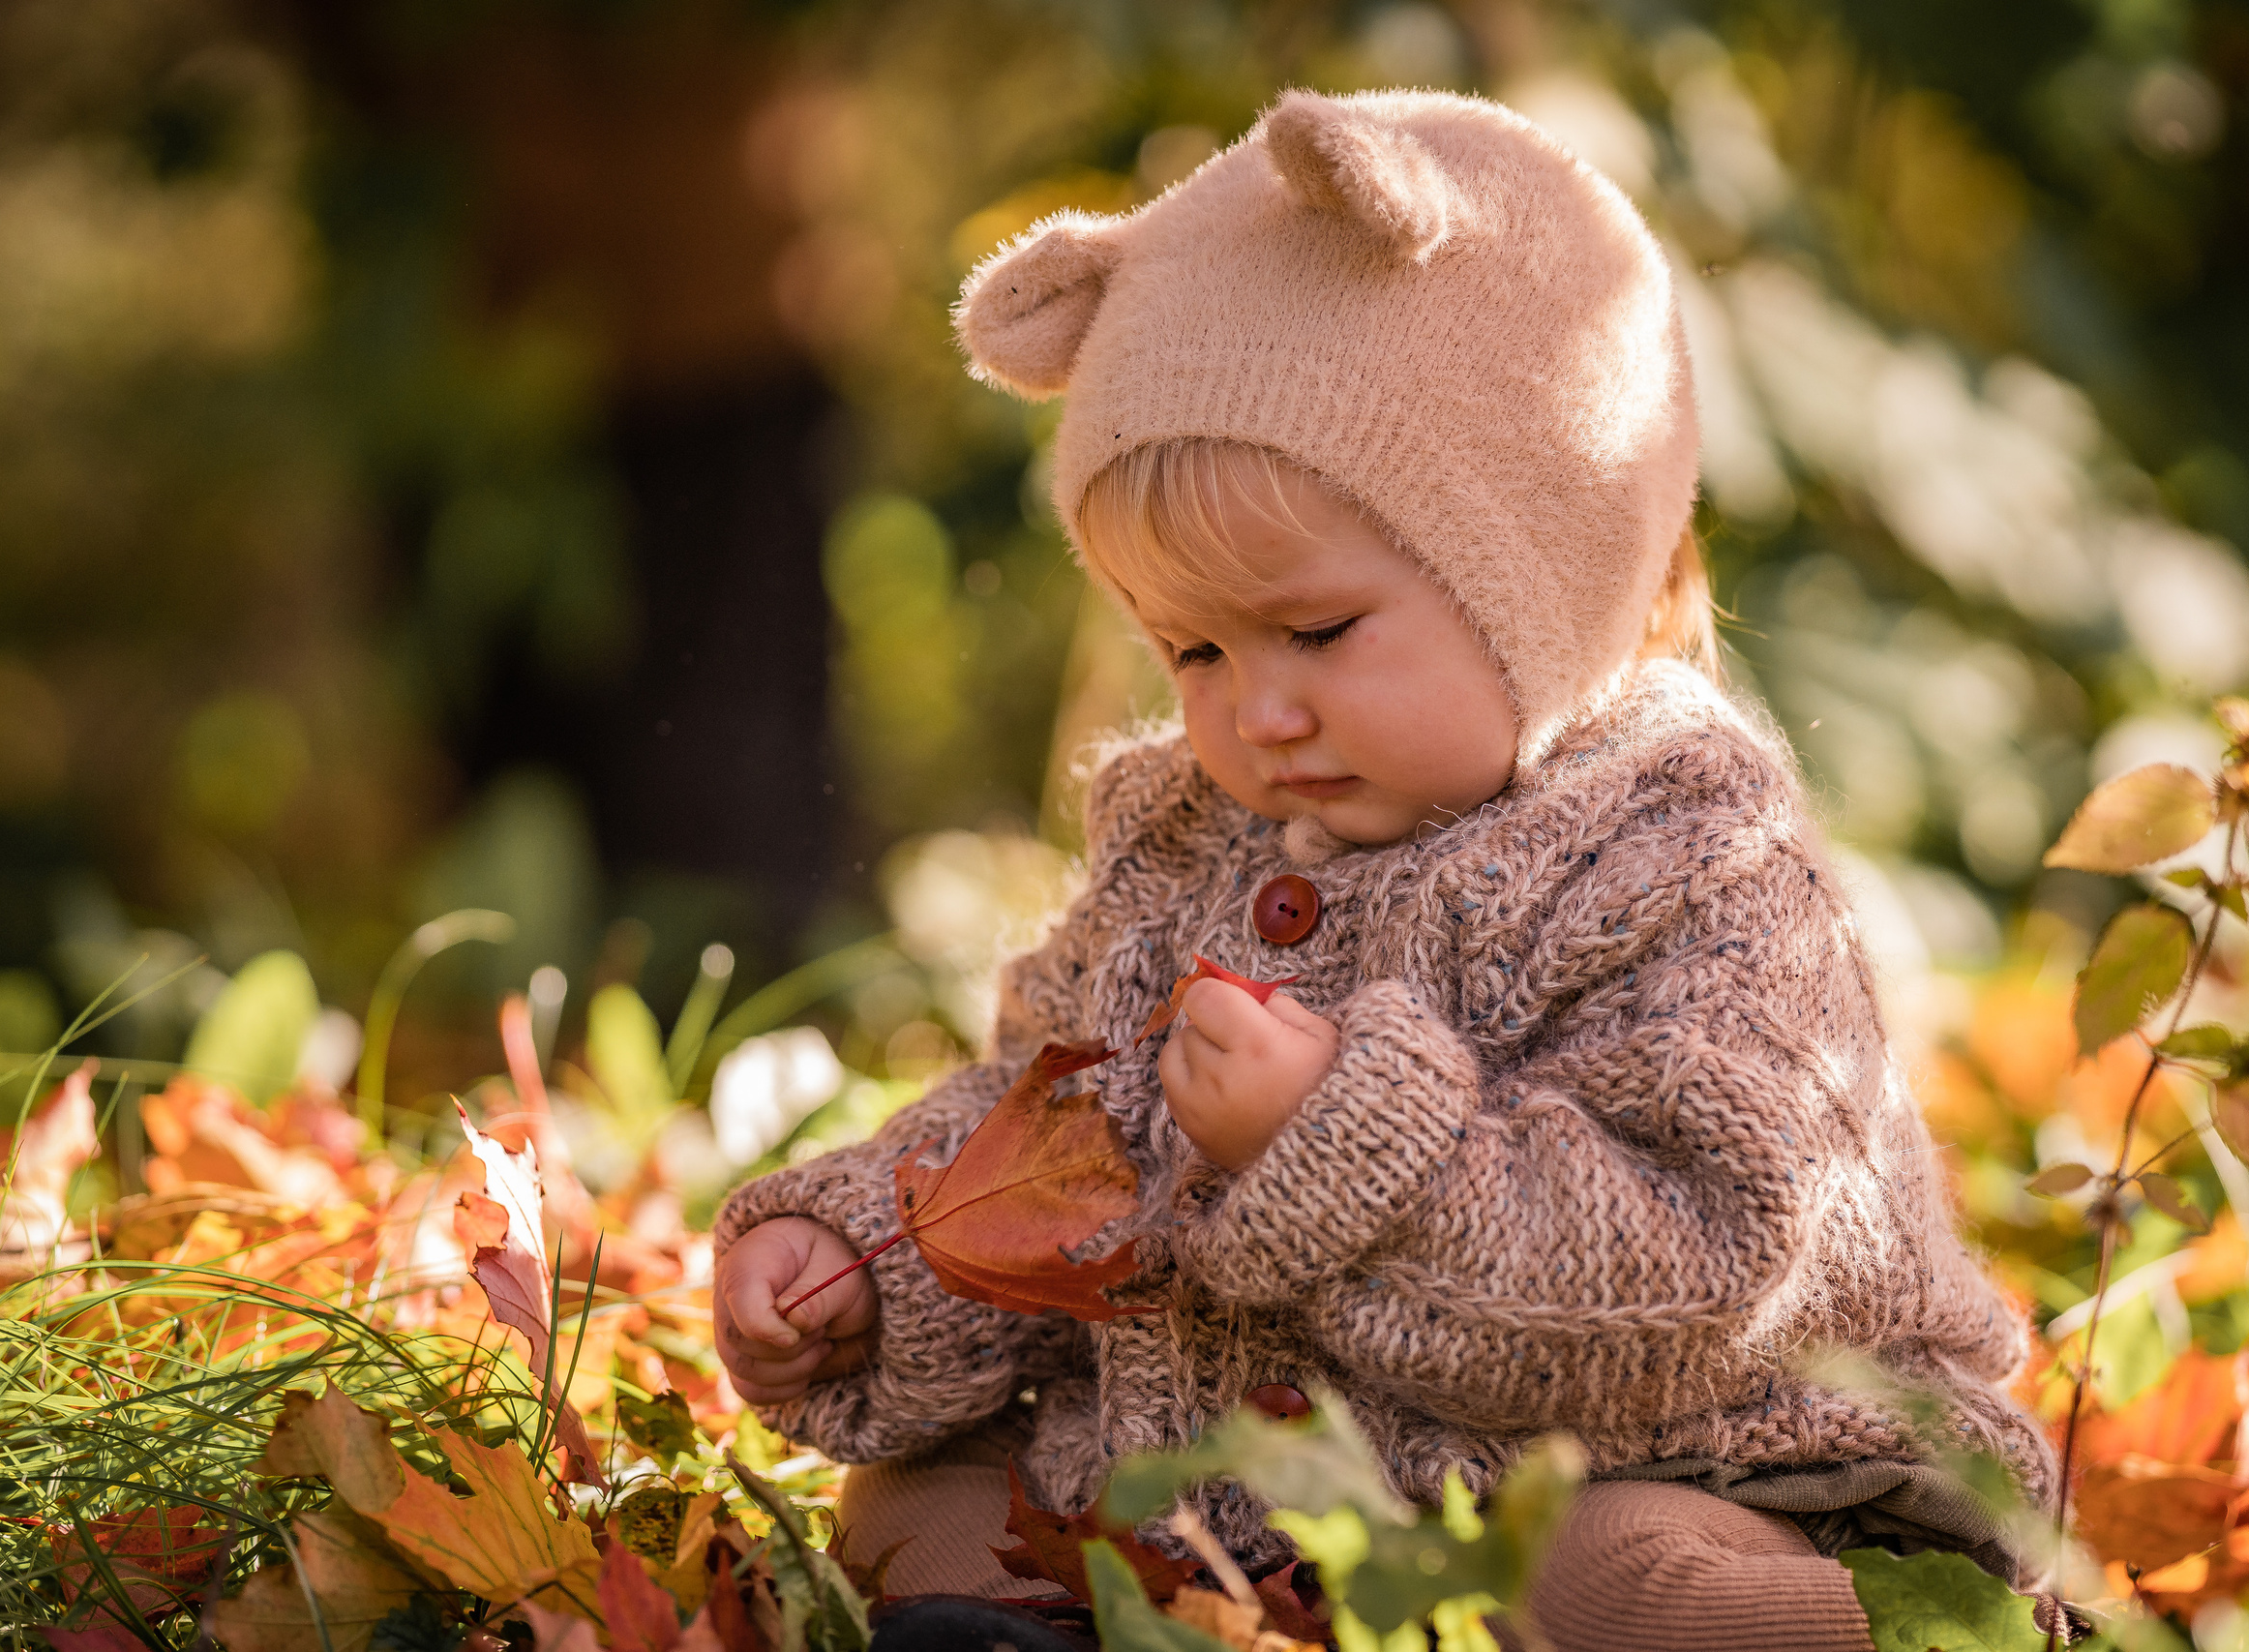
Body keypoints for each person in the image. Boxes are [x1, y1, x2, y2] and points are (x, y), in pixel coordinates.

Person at [712, 88, 2049, 1651]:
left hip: (1689, 1458)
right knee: (912, 1517)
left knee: (1614, 1590)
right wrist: (878, 1255)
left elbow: (1710, 1270)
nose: (1255, 710)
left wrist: (1339, 1137)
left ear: (1544, 565)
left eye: (1320, 630)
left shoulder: (1695, 858)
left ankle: (1932, 1635)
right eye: (1192, 647)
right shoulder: (1183, 843)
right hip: (1258, 1484)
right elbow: (1050, 1127)